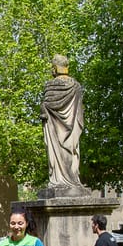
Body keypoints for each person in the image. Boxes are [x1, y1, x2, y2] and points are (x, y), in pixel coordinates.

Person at [40, 54, 84, 190]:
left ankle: (59, 179)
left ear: (54, 68)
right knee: (71, 151)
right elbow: (79, 112)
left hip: (55, 131)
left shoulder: (50, 86)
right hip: (71, 131)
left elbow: (46, 107)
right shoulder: (76, 87)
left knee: (57, 153)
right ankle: (72, 178)